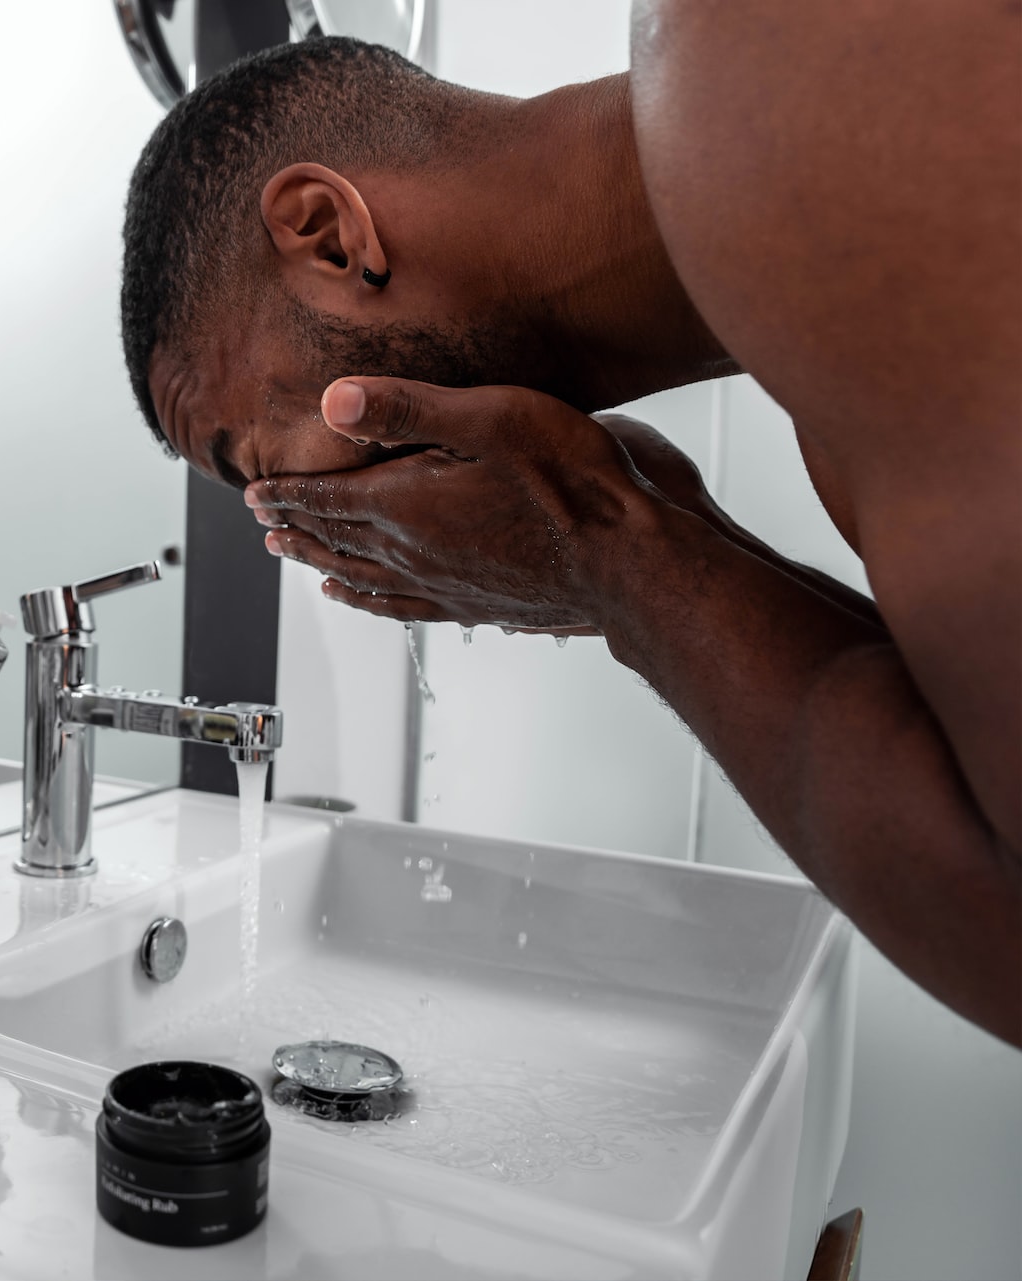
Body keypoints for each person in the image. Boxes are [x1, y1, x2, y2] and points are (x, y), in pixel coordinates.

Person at [120, 14, 1020, 1045]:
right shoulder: (826, 319)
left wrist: (613, 556)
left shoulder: (787, 85)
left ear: (328, 231)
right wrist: (654, 522)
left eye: (258, 461)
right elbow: (961, 757)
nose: (296, 516)